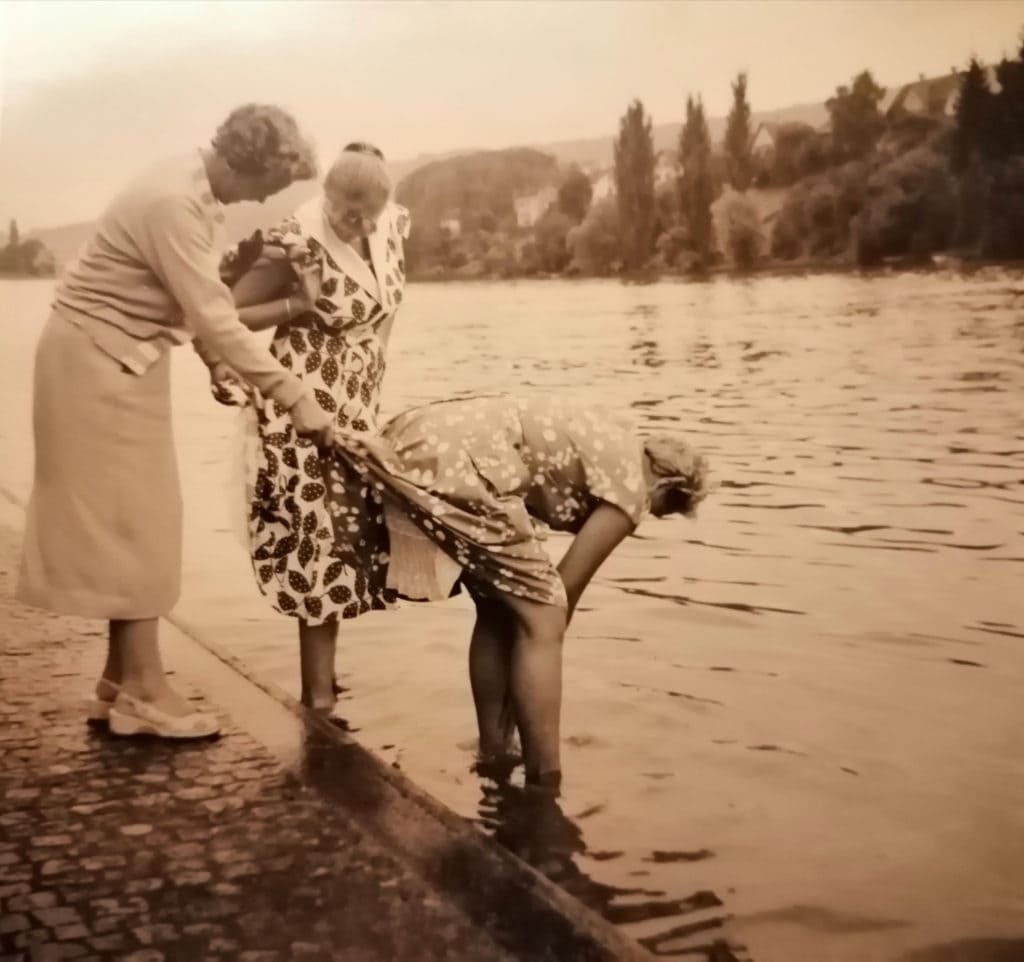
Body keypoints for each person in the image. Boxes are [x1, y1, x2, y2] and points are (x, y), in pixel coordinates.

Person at [18, 104, 331, 740]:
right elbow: (216, 314)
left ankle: (119, 679)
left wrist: (218, 365)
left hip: (112, 358)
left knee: (136, 521)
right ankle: (144, 692)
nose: (266, 200)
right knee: (139, 524)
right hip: (96, 364)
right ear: (248, 163)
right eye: (269, 185)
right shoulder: (174, 203)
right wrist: (297, 397)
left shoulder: (191, 189)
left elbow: (192, 306)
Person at [330, 393, 709, 791]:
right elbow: (565, 589)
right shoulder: (634, 487)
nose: (645, 514)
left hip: (429, 438)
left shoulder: (613, 437)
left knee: (498, 607)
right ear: (668, 486)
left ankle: (495, 752)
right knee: (543, 616)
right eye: (660, 509)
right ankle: (545, 778)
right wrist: (546, 633)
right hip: (465, 463)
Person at [213, 142, 411, 713]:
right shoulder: (292, 240)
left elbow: (386, 309)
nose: (362, 225)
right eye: (350, 214)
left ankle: (324, 685)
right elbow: (223, 313)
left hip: (356, 407)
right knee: (315, 541)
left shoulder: (393, 225)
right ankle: (318, 700)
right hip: (298, 405)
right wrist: (296, 305)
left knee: (349, 537)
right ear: (327, 197)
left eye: (371, 212)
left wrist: (373, 376)